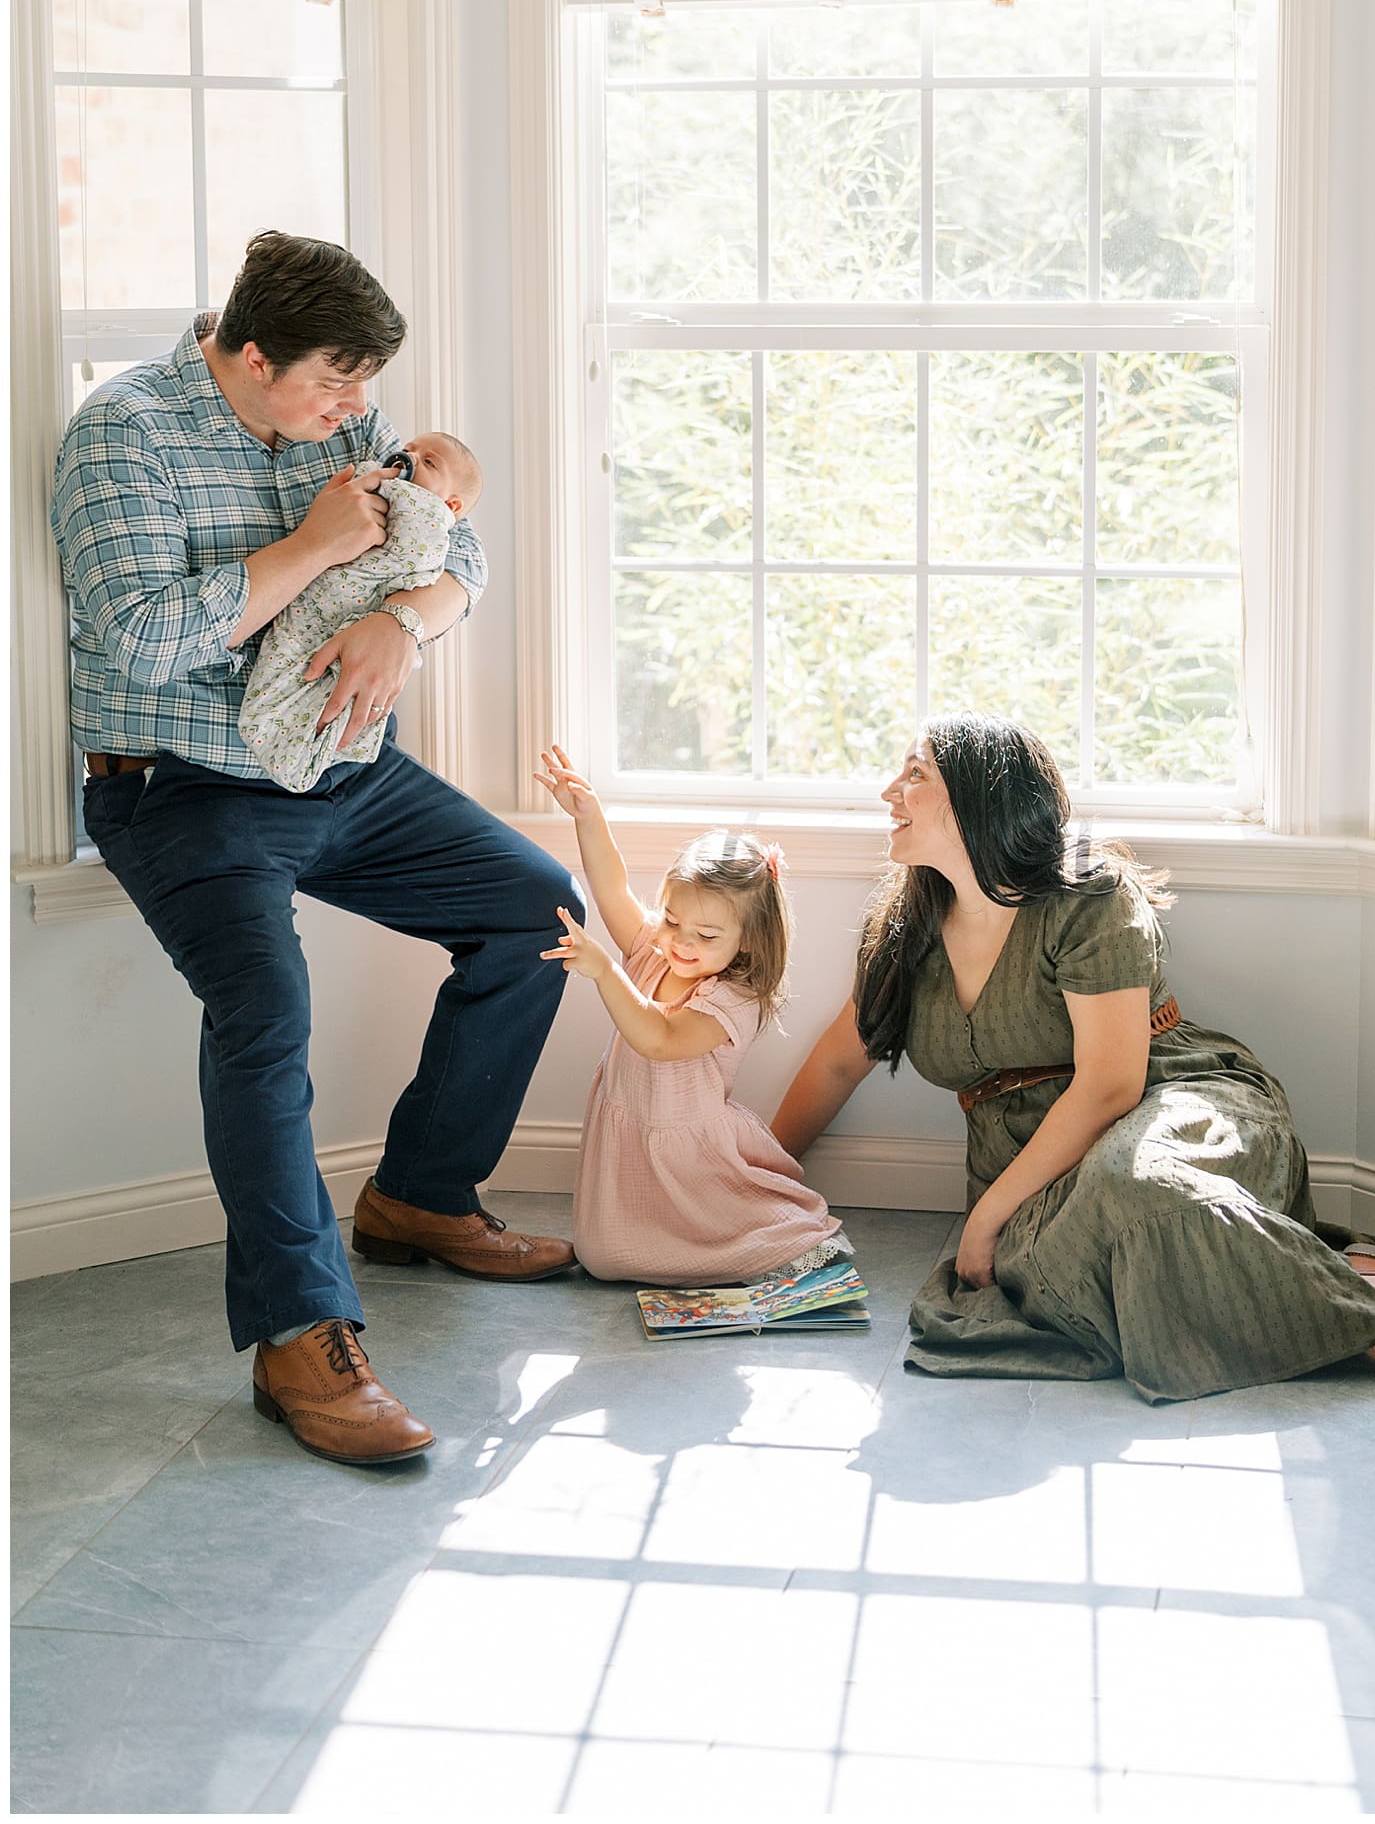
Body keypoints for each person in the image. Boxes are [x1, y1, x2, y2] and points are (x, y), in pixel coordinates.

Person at [52, 232, 584, 1469]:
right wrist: (319, 548)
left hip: (341, 766)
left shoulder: (338, 418)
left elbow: (461, 555)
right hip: (185, 786)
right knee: (264, 1007)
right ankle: (301, 1334)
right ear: (249, 356)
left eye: (361, 389)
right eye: (335, 387)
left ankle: (418, 1197)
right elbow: (138, 639)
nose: (358, 412)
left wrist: (406, 617)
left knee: (533, 908)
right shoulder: (121, 437)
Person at [769, 715, 1375, 1418]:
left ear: (979, 794)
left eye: (913, 774)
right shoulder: (905, 932)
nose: (887, 793)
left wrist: (990, 1213)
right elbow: (839, 1064)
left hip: (1177, 1100)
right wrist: (759, 1187)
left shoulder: (1088, 897)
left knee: (1134, 1186)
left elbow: (1110, 1085)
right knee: (1052, 1272)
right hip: (1029, 1161)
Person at [535, 744, 850, 1286]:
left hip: (689, 1156)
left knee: (765, 1235)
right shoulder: (654, 950)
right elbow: (611, 887)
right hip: (631, 1142)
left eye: (705, 935)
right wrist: (590, 817)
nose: (681, 942)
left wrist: (605, 971)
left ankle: (781, 1246)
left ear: (748, 940)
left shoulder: (733, 998)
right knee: (602, 1257)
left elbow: (658, 1037)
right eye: (673, 919)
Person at [238, 430, 485, 791]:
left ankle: (308, 752)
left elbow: (465, 559)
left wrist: (400, 621)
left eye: (429, 462)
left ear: (451, 507)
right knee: (290, 664)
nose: (409, 456)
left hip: (359, 612)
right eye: (411, 448)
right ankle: (281, 736)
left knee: (333, 687)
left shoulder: (429, 514)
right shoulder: (380, 469)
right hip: (319, 604)